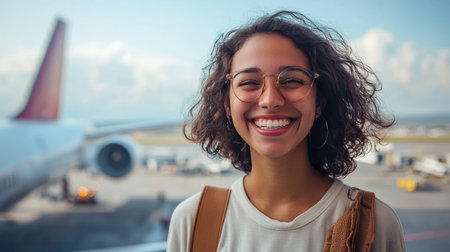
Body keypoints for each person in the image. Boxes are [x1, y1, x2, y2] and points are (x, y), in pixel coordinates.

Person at [167, 10, 405, 251]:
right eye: (249, 82)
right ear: (227, 104)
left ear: (319, 102)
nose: (270, 100)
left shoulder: (375, 225)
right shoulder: (191, 221)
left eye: (292, 80)